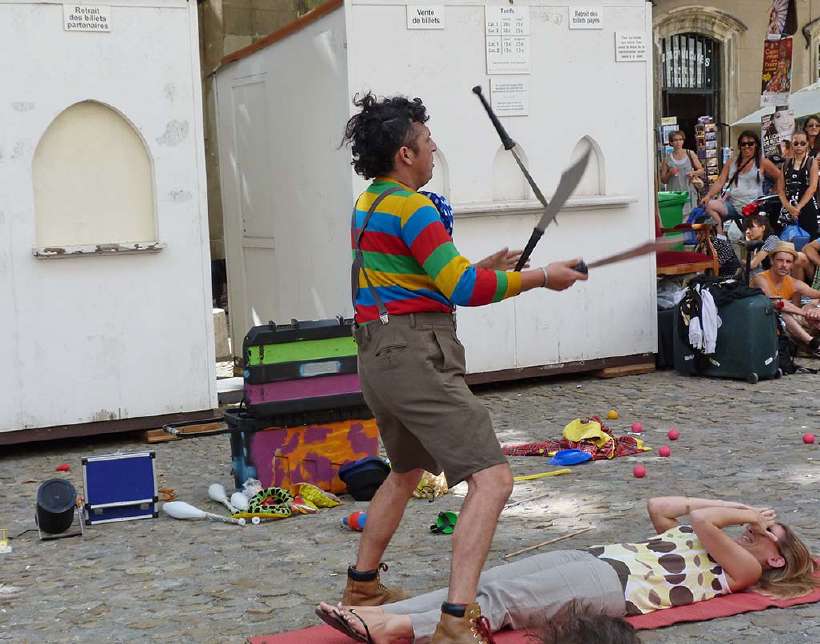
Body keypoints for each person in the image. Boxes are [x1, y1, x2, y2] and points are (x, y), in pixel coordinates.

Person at [336, 93, 588, 643]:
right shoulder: (415, 207)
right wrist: (542, 277)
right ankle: (455, 623)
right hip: (414, 358)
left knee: (405, 472)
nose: (434, 150)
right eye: (427, 142)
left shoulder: (369, 203)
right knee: (493, 479)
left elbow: (419, 280)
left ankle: (363, 588)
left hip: (377, 354)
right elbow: (464, 289)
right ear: (405, 154)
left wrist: (479, 268)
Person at [316, 496, 818, 644]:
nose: (755, 528)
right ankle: (383, 614)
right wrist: (741, 510)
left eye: (768, 531)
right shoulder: (709, 541)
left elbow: (705, 521)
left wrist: (742, 512)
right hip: (594, 560)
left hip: (616, 586)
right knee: (483, 583)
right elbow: (661, 506)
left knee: (503, 603)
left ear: (775, 558)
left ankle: (400, 629)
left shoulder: (744, 570)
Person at [701, 131, 781, 235]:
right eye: (743, 144)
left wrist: (774, 191)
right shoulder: (731, 162)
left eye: (750, 143)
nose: (747, 146)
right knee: (709, 205)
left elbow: (780, 177)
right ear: (739, 146)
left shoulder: (762, 162)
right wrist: (708, 195)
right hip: (733, 205)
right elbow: (720, 181)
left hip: (754, 208)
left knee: (751, 238)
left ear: (756, 145)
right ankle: (720, 235)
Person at [752, 241, 820, 356]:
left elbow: (817, 294)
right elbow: (777, 303)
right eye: (780, 260)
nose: (784, 265)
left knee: (812, 308)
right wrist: (805, 314)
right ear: (772, 261)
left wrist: (816, 310)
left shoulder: (794, 283)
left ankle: (808, 346)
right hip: (762, 322)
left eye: (788, 262)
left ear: (792, 265)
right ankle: (812, 343)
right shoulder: (760, 279)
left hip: (785, 326)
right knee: (781, 311)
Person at [777, 131, 820, 241]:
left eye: (802, 143)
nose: (799, 146)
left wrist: (798, 208)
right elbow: (780, 189)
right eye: (796, 143)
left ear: (807, 144)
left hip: (807, 206)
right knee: (787, 242)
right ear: (792, 144)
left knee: (809, 240)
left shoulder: (811, 162)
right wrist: (788, 207)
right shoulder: (786, 164)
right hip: (788, 208)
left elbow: (812, 188)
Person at [659, 130, 704, 217]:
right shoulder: (667, 159)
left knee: (690, 219)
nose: (678, 142)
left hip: (689, 193)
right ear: (671, 143)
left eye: (680, 139)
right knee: (677, 218)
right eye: (675, 140)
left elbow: (701, 170)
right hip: (674, 195)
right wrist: (670, 173)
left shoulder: (690, 154)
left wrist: (693, 173)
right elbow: (663, 180)